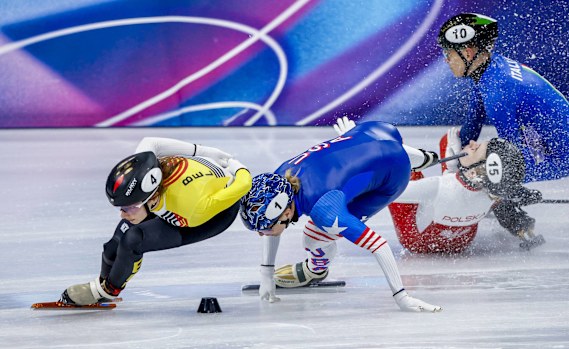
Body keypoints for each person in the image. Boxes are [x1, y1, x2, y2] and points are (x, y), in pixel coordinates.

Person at [239, 118, 442, 312]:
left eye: (264, 227)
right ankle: (423, 157)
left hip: (393, 177)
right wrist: (266, 273)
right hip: (372, 132)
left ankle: (316, 270)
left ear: (287, 211)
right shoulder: (279, 177)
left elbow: (379, 246)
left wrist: (402, 297)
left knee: (312, 237)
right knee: (386, 156)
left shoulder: (325, 210)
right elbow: (272, 229)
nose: (262, 233)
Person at [437, 13, 569, 238]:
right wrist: (460, 153)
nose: (446, 60)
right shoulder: (488, 71)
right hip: (549, 143)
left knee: (480, 167)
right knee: (467, 153)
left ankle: (519, 225)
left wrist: (493, 187)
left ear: (467, 52)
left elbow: (510, 159)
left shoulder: (498, 90)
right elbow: (472, 124)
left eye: (448, 54)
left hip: (559, 157)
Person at [60, 137, 251, 306]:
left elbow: (244, 184)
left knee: (133, 239)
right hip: (177, 193)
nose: (122, 214)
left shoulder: (192, 208)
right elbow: (152, 141)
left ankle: (108, 291)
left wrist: (236, 165)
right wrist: (203, 151)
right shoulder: (145, 165)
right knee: (112, 246)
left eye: (128, 207)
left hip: (212, 215)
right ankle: (104, 282)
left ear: (150, 200)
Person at [389, 126, 545, 253]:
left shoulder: (436, 187)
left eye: (476, 149)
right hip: (462, 242)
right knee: (449, 142)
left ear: (474, 172)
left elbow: (388, 192)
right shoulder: (496, 193)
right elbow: (457, 194)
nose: (472, 142)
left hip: (417, 240)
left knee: (397, 157)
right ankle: (517, 224)